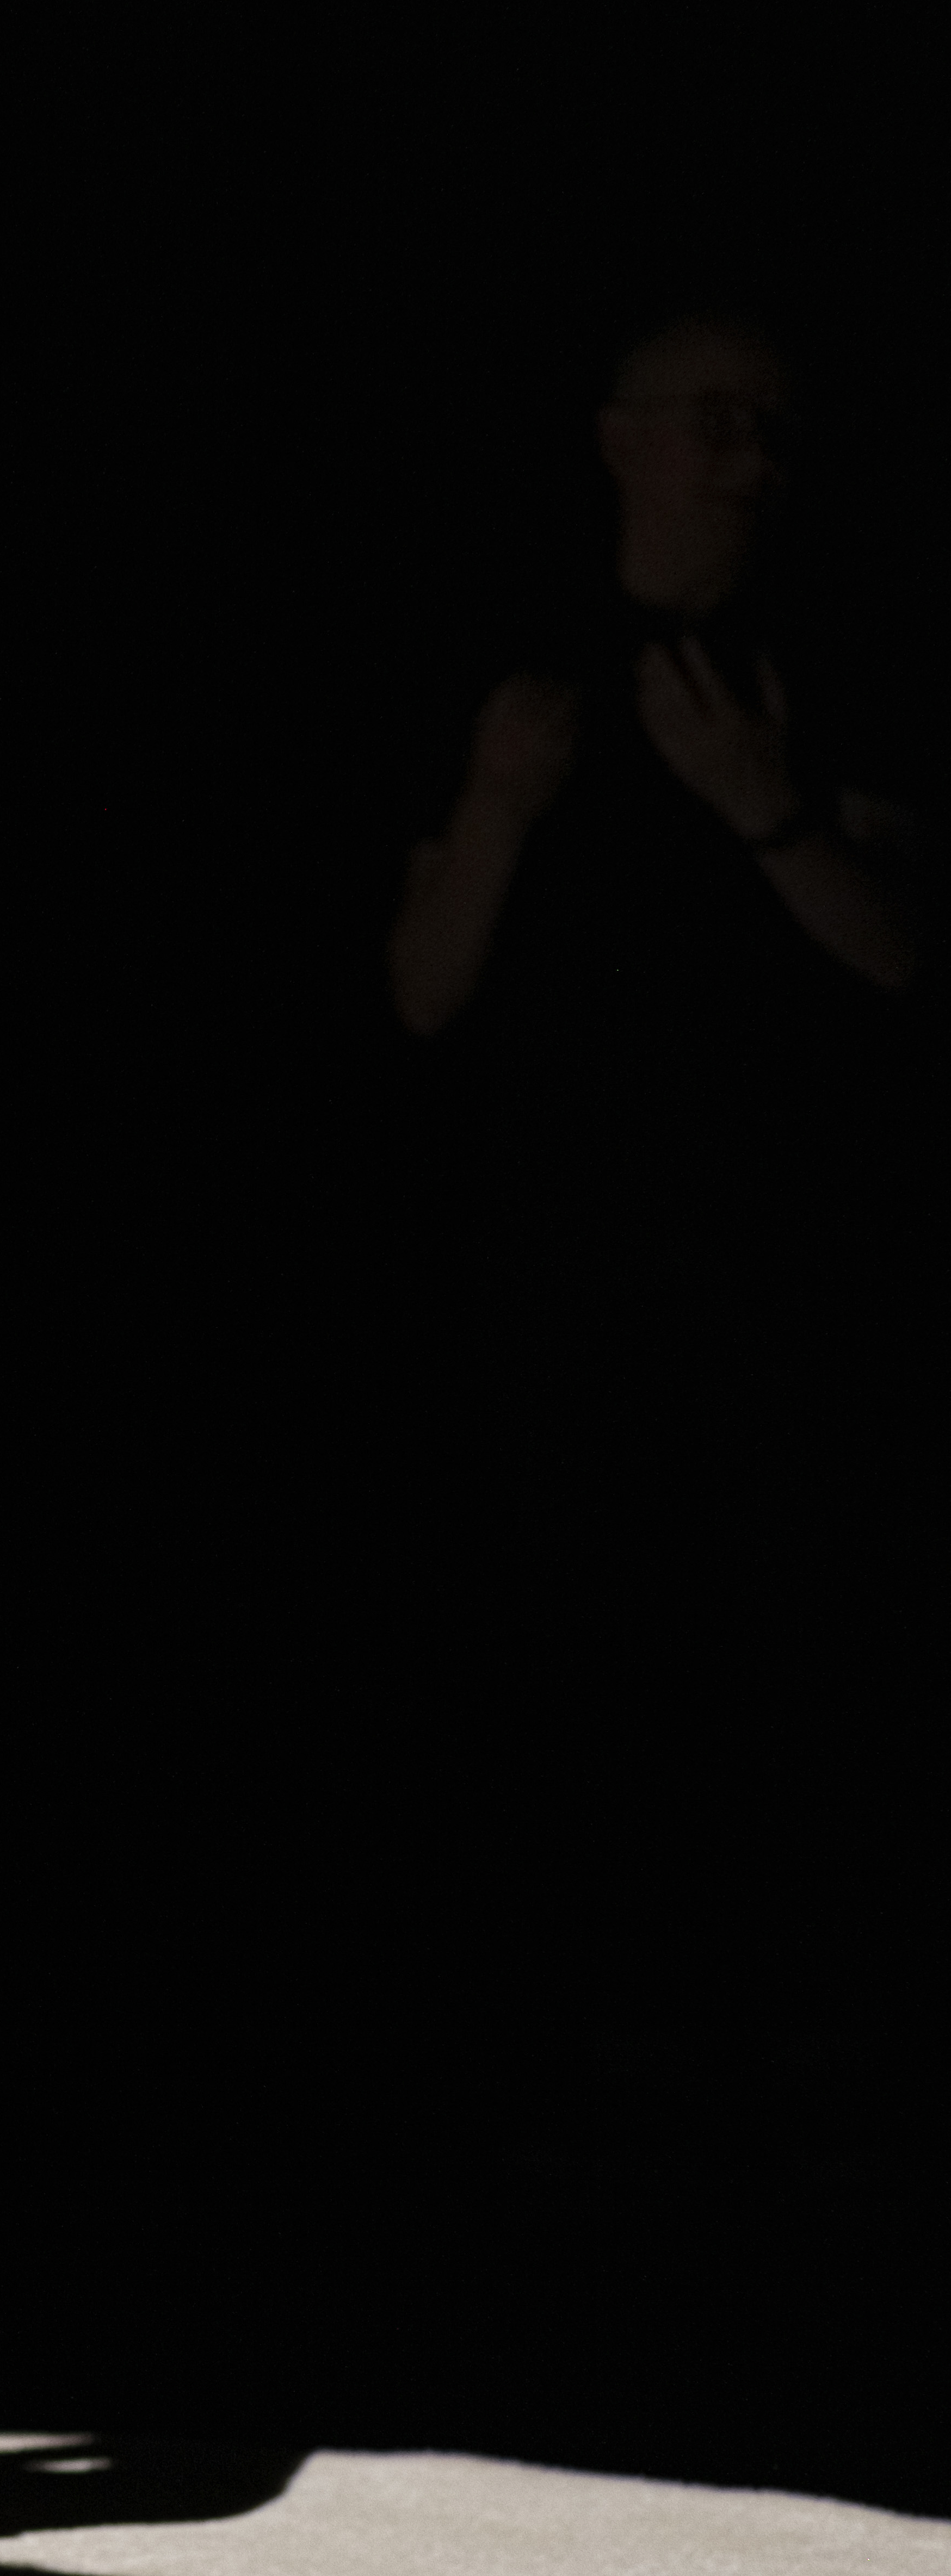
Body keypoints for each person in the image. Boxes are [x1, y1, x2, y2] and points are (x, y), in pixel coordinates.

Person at [385, 306, 929, 2162]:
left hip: (783, 1255)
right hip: (561, 1256)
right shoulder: (520, 676)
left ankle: (792, 2031)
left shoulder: (825, 662)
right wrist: (495, 811)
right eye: (715, 421)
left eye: (768, 427)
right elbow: (422, 988)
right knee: (585, 1639)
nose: (750, 459)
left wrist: (767, 811)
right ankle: (599, 2039)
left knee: (780, 1639)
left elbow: (900, 957)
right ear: (622, 441)